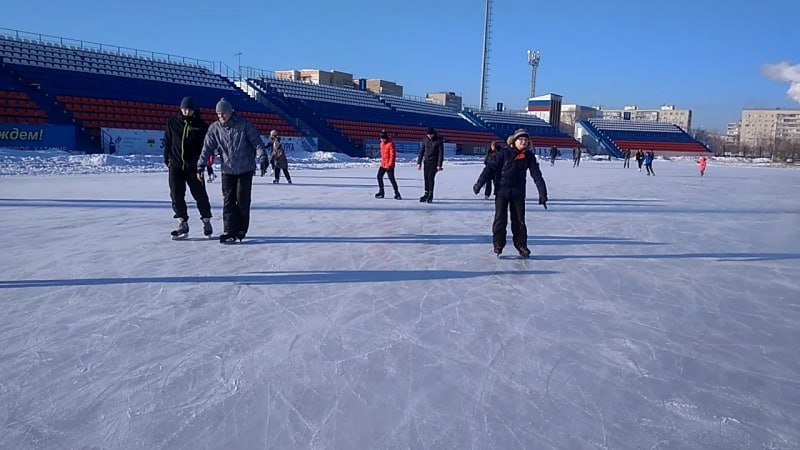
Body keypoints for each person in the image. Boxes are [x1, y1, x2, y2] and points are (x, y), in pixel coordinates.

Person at [197, 98, 267, 243]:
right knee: (228, 201)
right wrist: (201, 165)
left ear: (230, 112)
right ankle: (229, 231)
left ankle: (241, 229)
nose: (220, 116)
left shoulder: (244, 125)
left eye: (223, 113)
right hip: (227, 170)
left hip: (245, 169)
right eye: (218, 114)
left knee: (242, 200)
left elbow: (257, 143)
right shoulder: (215, 128)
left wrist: (263, 158)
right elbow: (207, 148)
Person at [472, 129, 548, 258]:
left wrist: (542, 193)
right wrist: (479, 184)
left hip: (518, 192)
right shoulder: (504, 153)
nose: (523, 142)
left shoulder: (529, 156)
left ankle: (521, 245)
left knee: (519, 221)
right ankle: (498, 244)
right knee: (500, 219)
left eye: (526, 140)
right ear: (514, 141)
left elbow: (537, 175)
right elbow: (489, 168)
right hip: (502, 191)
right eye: (521, 140)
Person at [163, 96, 212, 239]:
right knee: (176, 194)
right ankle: (182, 222)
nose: (186, 112)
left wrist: (200, 165)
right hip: (176, 165)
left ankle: (206, 221)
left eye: (189, 110)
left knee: (200, 195)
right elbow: (167, 141)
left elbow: (205, 148)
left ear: (194, 110)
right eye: (184, 109)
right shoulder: (172, 122)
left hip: (194, 167)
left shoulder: (201, 126)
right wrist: (167, 160)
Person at [416, 127, 444, 203]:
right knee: (426, 178)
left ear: (433, 133)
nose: (429, 136)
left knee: (430, 178)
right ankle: (426, 193)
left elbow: (441, 154)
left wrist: (439, 164)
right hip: (426, 162)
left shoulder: (438, 140)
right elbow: (421, 151)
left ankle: (431, 194)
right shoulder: (425, 139)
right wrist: (419, 162)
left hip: (434, 163)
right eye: (428, 135)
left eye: (431, 134)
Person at [375, 130, 401, 199]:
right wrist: (382, 163)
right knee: (379, 176)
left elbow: (393, 155)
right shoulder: (381, 144)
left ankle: (397, 193)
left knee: (392, 179)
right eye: (381, 139)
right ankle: (381, 191)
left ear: (386, 138)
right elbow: (383, 155)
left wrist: (390, 165)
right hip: (383, 164)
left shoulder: (391, 144)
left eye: (383, 139)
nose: (382, 140)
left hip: (389, 165)